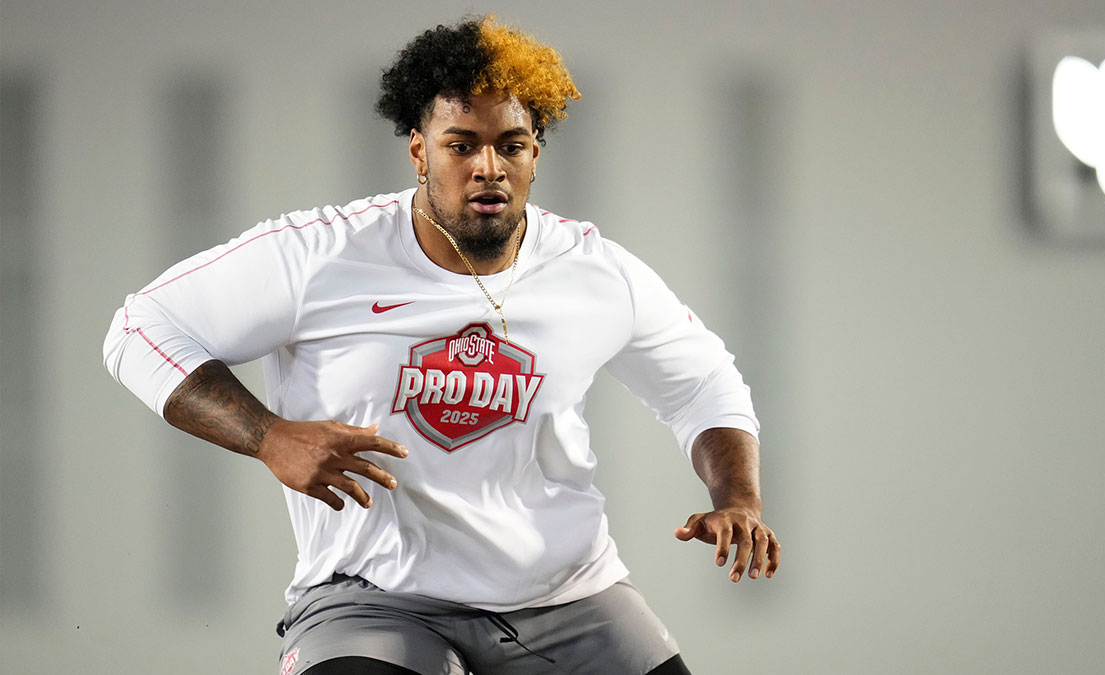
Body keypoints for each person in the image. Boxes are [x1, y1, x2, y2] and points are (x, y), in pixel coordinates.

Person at [103, 14, 780, 675]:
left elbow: (704, 384)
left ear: (535, 153)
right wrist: (268, 434)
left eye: (510, 144)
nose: (489, 167)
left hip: (566, 597)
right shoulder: (320, 255)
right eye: (462, 145)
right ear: (419, 150)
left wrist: (739, 497)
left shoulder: (596, 273)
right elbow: (140, 327)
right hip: (375, 600)